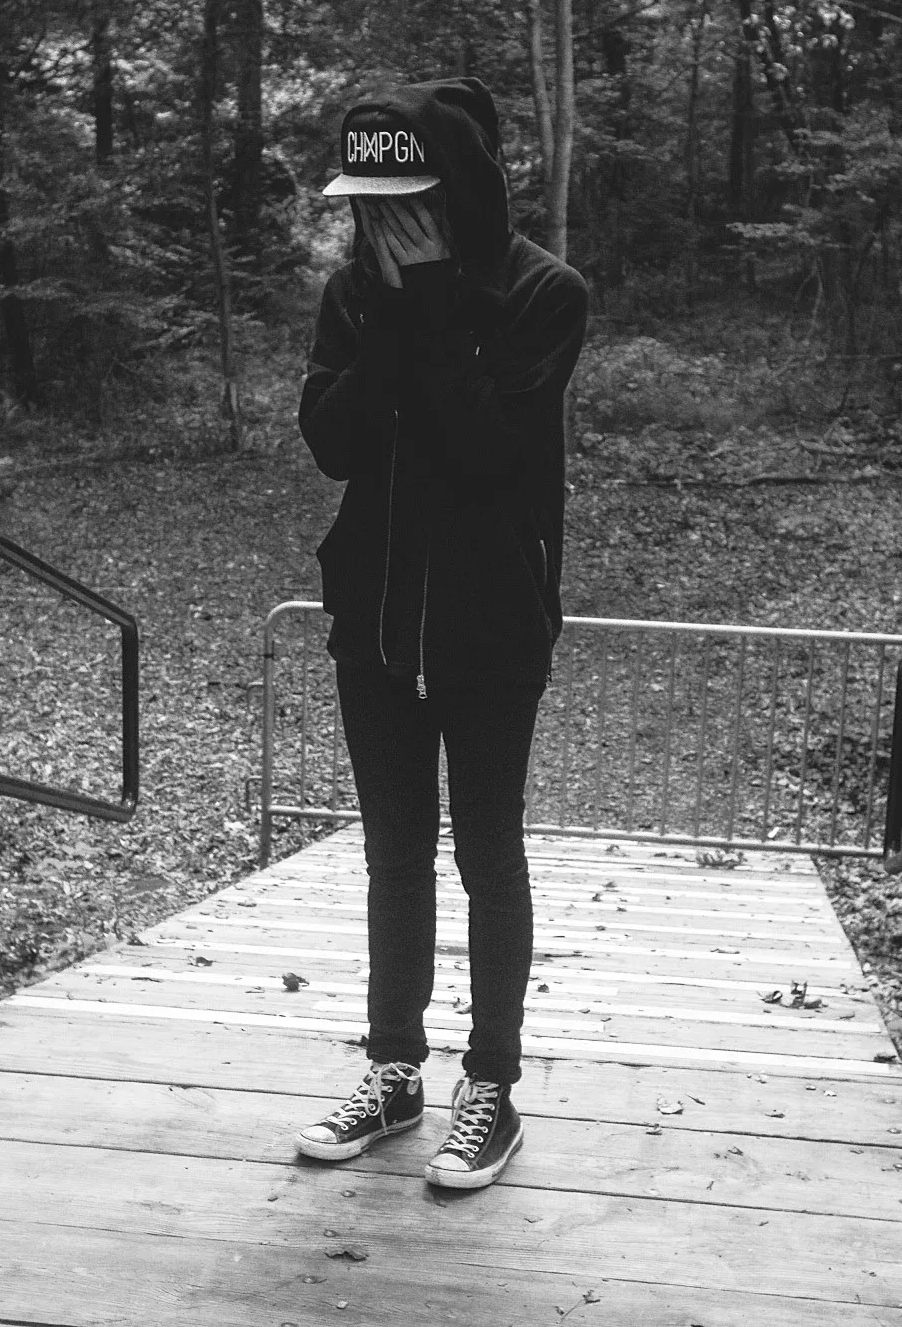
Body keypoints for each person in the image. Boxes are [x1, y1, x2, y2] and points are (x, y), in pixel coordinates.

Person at [294, 76, 588, 1190]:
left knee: (486, 853)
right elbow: (333, 443)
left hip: (492, 623)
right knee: (393, 854)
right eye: (366, 204)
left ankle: (492, 1087)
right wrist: (388, 319)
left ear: (455, 190)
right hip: (373, 621)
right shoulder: (352, 295)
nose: (382, 224)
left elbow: (487, 453)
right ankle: (393, 1068)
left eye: (404, 202)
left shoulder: (542, 294)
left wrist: (430, 310)